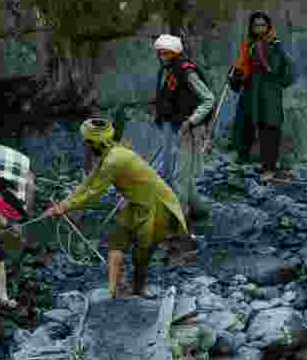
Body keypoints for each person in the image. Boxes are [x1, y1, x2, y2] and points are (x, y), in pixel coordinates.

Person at [44, 118, 193, 299]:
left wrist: (64, 207)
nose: (86, 147)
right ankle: (114, 291)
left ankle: (138, 290)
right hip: (137, 202)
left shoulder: (113, 161)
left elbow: (93, 193)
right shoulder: (110, 154)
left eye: (87, 143)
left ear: (94, 143)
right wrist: (61, 205)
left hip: (157, 204)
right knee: (117, 239)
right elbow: (87, 184)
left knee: (142, 253)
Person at [152, 34, 217, 222]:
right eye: (160, 53)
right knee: (173, 172)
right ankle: (199, 209)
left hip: (188, 129)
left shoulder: (186, 71)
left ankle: (180, 216)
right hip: (170, 125)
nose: (163, 56)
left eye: (166, 53)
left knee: (180, 175)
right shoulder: (166, 70)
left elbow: (208, 99)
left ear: (174, 53)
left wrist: (191, 120)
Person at [232, 11, 296, 184]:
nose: (259, 28)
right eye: (256, 25)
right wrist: (236, 75)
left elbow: (285, 68)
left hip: (270, 92)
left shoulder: (275, 45)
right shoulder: (249, 46)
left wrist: (277, 82)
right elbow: (243, 68)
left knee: (271, 126)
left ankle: (270, 167)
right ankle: (254, 161)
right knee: (256, 125)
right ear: (252, 28)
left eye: (262, 25)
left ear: (268, 27)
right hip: (253, 91)